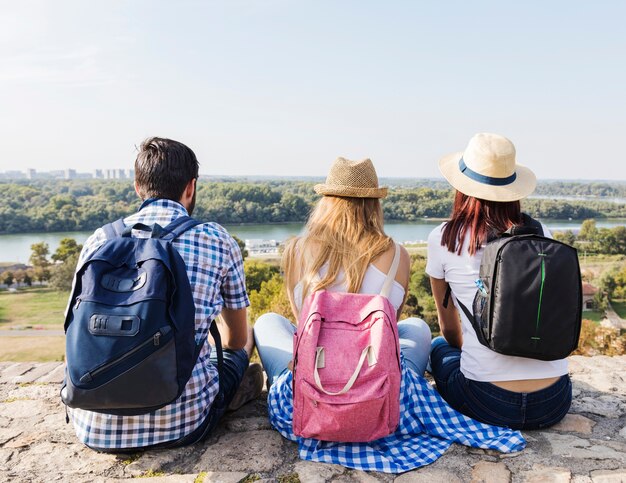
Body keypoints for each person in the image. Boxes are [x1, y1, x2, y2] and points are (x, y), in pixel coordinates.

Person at [254, 157, 526, 473]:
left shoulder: (297, 250)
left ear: (326, 201)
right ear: (375, 204)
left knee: (268, 323)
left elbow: (304, 330)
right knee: (416, 327)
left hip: (316, 383)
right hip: (377, 387)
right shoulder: (397, 254)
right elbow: (388, 329)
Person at [66, 137, 263, 451]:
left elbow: (73, 329)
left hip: (93, 427)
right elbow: (236, 340)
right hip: (184, 424)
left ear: (137, 188)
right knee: (245, 340)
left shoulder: (98, 240)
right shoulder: (214, 238)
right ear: (190, 188)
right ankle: (228, 394)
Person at [426, 132, 572, 430]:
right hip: (554, 400)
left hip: (486, 400)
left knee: (440, 347)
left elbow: (450, 329)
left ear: (462, 188)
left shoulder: (444, 238)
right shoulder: (542, 232)